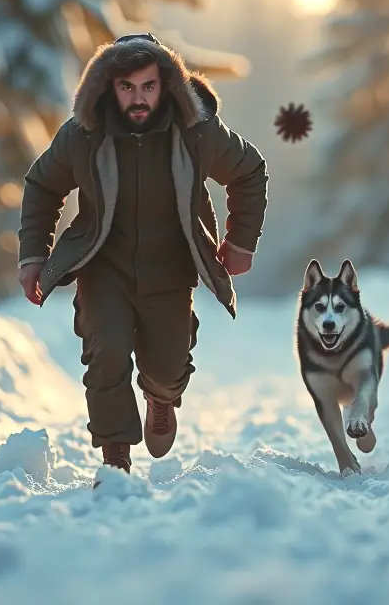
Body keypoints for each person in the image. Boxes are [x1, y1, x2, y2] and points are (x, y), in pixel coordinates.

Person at [14, 33, 269, 476]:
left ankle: (161, 397)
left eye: (148, 86)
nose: (138, 98)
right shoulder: (83, 134)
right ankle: (116, 459)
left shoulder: (198, 131)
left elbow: (250, 171)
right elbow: (43, 185)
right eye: (126, 87)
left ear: (166, 84)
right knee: (106, 351)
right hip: (102, 265)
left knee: (168, 367)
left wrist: (240, 242)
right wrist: (33, 254)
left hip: (170, 266)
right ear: (108, 86)